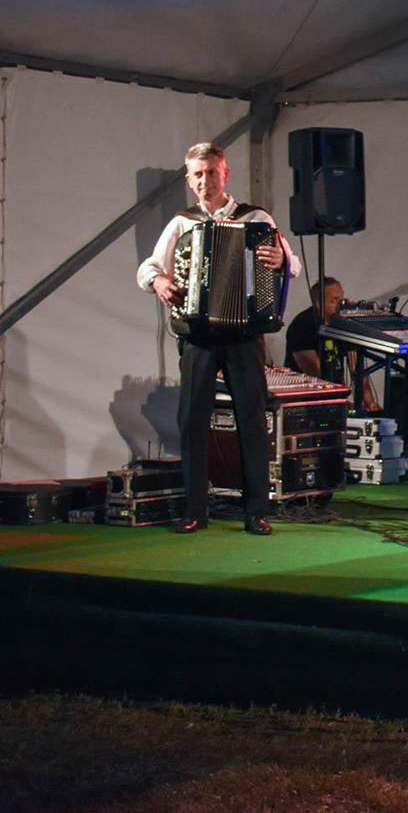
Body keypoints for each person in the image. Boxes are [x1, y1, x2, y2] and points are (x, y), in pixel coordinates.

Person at [138, 142, 298, 535]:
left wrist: (281, 260)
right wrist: (159, 282)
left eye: (211, 172)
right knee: (192, 418)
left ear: (225, 174)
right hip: (199, 334)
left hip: (243, 333)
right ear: (189, 179)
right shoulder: (183, 223)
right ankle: (195, 510)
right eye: (198, 174)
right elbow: (149, 267)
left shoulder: (255, 218)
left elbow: (291, 263)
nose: (205, 180)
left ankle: (256, 511)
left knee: (251, 418)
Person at [284, 276, 380, 411]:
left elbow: (356, 368)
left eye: (341, 299)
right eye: (334, 300)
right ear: (318, 302)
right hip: (306, 402)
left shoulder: (341, 325)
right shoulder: (303, 324)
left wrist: (370, 403)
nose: (340, 305)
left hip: (335, 398)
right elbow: (315, 371)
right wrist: (341, 404)